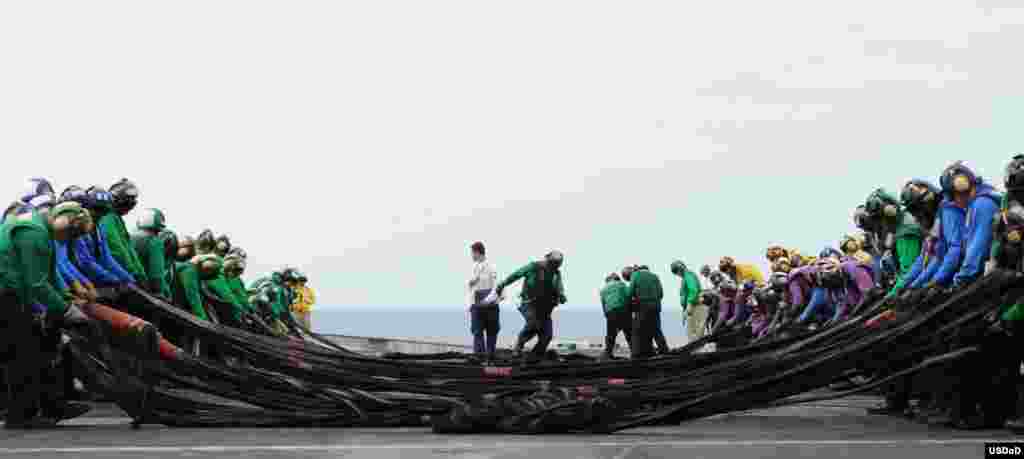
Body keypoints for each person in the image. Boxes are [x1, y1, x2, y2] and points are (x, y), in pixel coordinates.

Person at [0, 201, 93, 428]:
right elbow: (37, 284)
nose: (72, 238)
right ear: (65, 221)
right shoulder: (34, 234)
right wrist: (65, 310)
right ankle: (21, 416)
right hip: (6, 295)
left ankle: (48, 405)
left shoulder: (41, 231)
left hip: (12, 294)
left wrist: (66, 299)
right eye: (73, 232)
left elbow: (49, 277)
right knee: (24, 354)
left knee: (36, 348)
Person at [495, 251, 566, 361]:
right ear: (548, 260)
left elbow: (559, 288)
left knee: (547, 335)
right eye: (553, 263)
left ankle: (535, 357)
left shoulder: (556, 274)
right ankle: (518, 346)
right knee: (534, 323)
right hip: (528, 303)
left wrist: (561, 296)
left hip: (545, 308)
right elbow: (517, 274)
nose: (554, 266)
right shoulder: (534, 267)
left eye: (557, 264)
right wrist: (503, 284)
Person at [890, 180, 944, 294]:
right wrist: (905, 286)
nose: (916, 216)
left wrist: (919, 284)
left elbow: (944, 255)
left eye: (916, 209)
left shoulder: (946, 212)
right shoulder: (931, 230)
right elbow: (922, 260)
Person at [863, 188, 924, 290]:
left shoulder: (905, 231)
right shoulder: (898, 228)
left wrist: (894, 293)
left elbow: (908, 270)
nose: (881, 223)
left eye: (880, 218)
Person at [101, 179, 147, 285]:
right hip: (114, 276)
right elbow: (116, 249)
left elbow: (129, 250)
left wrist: (141, 274)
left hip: (125, 274)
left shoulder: (117, 219)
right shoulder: (108, 217)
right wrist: (133, 273)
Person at [466, 242, 498, 360]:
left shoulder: (491, 267)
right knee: (477, 331)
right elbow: (471, 287)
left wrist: (488, 300)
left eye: (472, 253)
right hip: (477, 303)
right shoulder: (474, 267)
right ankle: (479, 356)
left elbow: (496, 286)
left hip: (489, 304)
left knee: (491, 331)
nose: (471, 256)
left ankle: (489, 356)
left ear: (477, 252)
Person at [626, 264, 665, 359]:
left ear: (639, 270)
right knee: (656, 330)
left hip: (642, 307)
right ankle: (664, 351)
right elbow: (661, 293)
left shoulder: (636, 275)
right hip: (656, 307)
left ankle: (636, 354)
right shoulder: (655, 276)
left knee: (637, 330)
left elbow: (629, 293)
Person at [132, 208, 171, 298]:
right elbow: (156, 272)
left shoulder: (130, 236)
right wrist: (160, 291)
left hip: (128, 282)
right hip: (144, 288)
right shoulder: (155, 241)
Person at [670, 260, 705, 344]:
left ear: (680, 269)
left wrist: (689, 304)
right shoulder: (685, 277)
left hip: (696, 306)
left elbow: (693, 290)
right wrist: (685, 311)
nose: (677, 274)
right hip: (692, 306)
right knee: (692, 331)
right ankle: (695, 349)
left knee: (697, 331)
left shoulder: (688, 275)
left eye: (676, 271)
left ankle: (697, 350)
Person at [599, 273, 630, 359]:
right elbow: (628, 296)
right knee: (628, 332)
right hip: (623, 310)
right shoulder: (622, 284)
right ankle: (634, 352)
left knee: (610, 334)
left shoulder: (603, 289)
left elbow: (603, 303)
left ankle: (608, 353)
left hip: (611, 312)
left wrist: (606, 314)